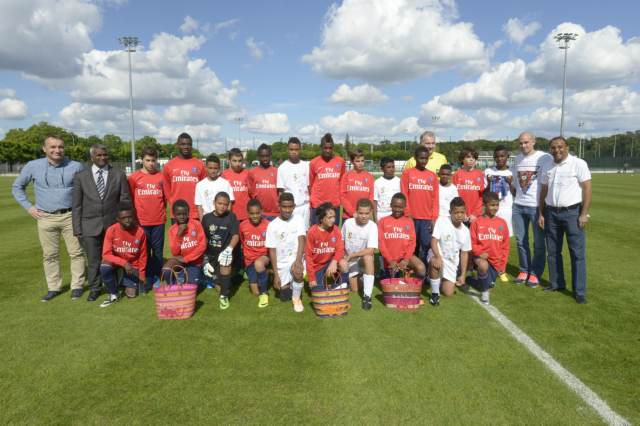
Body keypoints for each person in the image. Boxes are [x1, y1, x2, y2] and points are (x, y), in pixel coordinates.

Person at [11, 135, 85, 302]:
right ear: (44, 149)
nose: (57, 150)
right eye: (53, 147)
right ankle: (53, 287)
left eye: (60, 147)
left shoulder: (76, 166)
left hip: (70, 216)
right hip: (45, 217)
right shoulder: (33, 166)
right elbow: (17, 187)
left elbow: (87, 189)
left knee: (76, 253)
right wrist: (29, 207)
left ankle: (77, 286)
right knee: (50, 255)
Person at [72, 144, 131, 302]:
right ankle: (95, 288)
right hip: (89, 226)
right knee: (93, 260)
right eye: (98, 155)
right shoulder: (80, 176)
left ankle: (116, 285)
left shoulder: (118, 174)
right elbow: (77, 205)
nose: (102, 158)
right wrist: (77, 228)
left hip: (113, 225)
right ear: (92, 157)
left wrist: (125, 223)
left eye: (105, 155)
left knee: (117, 257)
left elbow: (125, 200)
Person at [538, 136, 592, 304]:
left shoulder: (578, 163)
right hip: (551, 213)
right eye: (553, 147)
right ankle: (556, 283)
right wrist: (541, 213)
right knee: (553, 252)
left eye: (560, 147)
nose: (557, 150)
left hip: (572, 213)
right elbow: (544, 191)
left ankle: (579, 291)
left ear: (567, 147)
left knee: (577, 253)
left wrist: (584, 213)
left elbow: (588, 188)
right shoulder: (547, 165)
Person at [511, 131, 552, 287]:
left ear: (534, 141)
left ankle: (535, 273)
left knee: (538, 243)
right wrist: (517, 198)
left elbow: (548, 181)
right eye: (521, 143)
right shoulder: (517, 158)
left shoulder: (544, 157)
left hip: (536, 207)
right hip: (519, 206)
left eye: (526, 142)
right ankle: (524, 270)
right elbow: (515, 182)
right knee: (521, 241)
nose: (523, 145)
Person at [128, 147, 168, 288]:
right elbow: (132, 198)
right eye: (148, 160)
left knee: (157, 251)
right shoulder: (134, 177)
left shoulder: (161, 177)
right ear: (142, 160)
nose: (151, 163)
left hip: (158, 221)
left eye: (153, 160)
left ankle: (156, 276)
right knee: (143, 250)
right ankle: (144, 276)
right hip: (141, 221)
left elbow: (165, 198)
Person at [99, 203, 147, 307]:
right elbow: (106, 254)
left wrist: (142, 274)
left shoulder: (140, 232)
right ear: (118, 218)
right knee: (105, 267)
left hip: (133, 264)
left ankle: (125, 282)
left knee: (131, 295)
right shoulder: (111, 230)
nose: (127, 220)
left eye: (130, 217)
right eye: (124, 218)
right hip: (117, 262)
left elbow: (143, 256)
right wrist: (124, 263)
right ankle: (113, 293)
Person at [266, 192, 306, 313]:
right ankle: (280, 278)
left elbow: (301, 239)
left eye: (290, 207)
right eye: (284, 206)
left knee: (298, 271)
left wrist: (298, 261)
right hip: (281, 263)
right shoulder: (272, 225)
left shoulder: (298, 219)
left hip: (295, 258)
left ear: (294, 206)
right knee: (284, 296)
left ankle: (297, 299)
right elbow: (272, 251)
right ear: (279, 206)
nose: (287, 210)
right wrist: (277, 274)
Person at [427, 197, 471, 306]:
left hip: (451, 262)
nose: (459, 215)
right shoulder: (442, 221)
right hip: (437, 254)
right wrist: (438, 257)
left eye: (462, 212)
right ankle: (435, 294)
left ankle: (436, 279)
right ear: (450, 212)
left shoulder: (466, 231)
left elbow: (464, 254)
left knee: (448, 293)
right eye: (456, 212)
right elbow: (433, 241)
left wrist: (463, 275)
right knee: (434, 262)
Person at [401, 145, 439, 267]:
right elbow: (404, 195)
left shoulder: (432, 176)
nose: (424, 161)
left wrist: (433, 218)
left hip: (427, 218)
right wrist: (408, 214)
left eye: (426, 158)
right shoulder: (407, 174)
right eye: (421, 158)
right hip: (411, 217)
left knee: (427, 246)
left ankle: (427, 272)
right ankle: (412, 270)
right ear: (415, 158)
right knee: (411, 246)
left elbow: (435, 198)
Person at [470, 192, 510, 305]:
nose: (495, 208)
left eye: (497, 205)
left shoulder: (502, 223)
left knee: (487, 283)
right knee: (483, 266)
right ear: (484, 205)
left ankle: (471, 279)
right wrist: (479, 252)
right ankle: (484, 294)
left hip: (496, 262)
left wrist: (503, 265)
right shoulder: (477, 222)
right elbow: (471, 243)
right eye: (492, 205)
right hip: (481, 258)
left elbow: (505, 246)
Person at [201, 191, 239, 310]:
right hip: (211, 254)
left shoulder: (231, 217)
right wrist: (204, 258)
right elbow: (203, 239)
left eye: (225, 204)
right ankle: (222, 283)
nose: (222, 206)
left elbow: (235, 236)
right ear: (214, 203)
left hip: (225, 253)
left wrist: (229, 249)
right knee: (219, 285)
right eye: (219, 203)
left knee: (225, 265)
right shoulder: (206, 218)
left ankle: (224, 297)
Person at [377, 193, 427, 279]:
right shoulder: (383, 221)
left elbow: (412, 243)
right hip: (390, 259)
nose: (397, 209)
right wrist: (390, 260)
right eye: (395, 206)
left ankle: (412, 281)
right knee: (393, 285)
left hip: (405, 258)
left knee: (421, 268)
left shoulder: (409, 222)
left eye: (400, 207)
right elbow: (381, 244)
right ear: (391, 205)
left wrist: (406, 259)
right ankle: (394, 273)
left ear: (404, 207)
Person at [342, 199, 378, 310]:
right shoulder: (348, 223)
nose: (364, 216)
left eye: (367, 213)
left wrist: (352, 255)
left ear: (371, 212)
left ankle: (367, 296)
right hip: (349, 261)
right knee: (355, 289)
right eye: (361, 213)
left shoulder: (372, 226)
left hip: (360, 259)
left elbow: (371, 250)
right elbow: (341, 241)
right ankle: (363, 278)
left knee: (368, 257)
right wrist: (342, 257)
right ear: (356, 212)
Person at [162, 133, 207, 221]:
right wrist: (173, 203)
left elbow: (204, 187)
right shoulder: (169, 165)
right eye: (183, 144)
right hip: (177, 213)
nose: (186, 147)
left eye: (189, 144)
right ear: (177, 145)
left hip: (195, 212)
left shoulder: (200, 165)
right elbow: (167, 189)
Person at [305, 203, 349, 291]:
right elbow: (308, 257)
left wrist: (334, 261)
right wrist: (311, 278)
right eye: (329, 217)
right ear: (321, 219)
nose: (333, 220)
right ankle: (328, 286)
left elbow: (340, 249)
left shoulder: (336, 229)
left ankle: (342, 286)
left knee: (343, 263)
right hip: (317, 266)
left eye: (334, 217)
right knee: (317, 291)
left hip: (331, 263)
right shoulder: (312, 232)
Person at [162, 200, 206, 287]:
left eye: (184, 214)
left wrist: (187, 259)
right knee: (166, 271)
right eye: (179, 214)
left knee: (190, 286)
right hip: (180, 260)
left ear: (188, 213)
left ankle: (197, 276)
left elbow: (202, 245)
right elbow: (175, 252)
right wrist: (179, 235)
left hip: (195, 261)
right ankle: (174, 286)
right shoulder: (172, 230)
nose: (182, 216)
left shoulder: (196, 224)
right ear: (174, 215)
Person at [239, 199, 270, 308]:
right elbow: (243, 241)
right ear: (247, 213)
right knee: (255, 292)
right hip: (249, 260)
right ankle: (265, 275)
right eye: (252, 213)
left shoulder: (268, 225)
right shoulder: (242, 226)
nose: (255, 216)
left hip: (263, 256)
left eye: (257, 213)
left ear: (261, 211)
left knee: (259, 264)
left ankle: (264, 293)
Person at [308, 133, 346, 224]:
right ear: (321, 147)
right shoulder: (314, 163)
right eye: (325, 148)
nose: (328, 150)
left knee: (332, 234)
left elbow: (342, 181)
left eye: (330, 148)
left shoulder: (340, 162)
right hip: (318, 204)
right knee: (316, 233)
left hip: (334, 204)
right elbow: (311, 183)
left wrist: (339, 199)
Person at [277, 137, 310, 228]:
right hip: (289, 208)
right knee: (290, 234)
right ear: (288, 150)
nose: (294, 152)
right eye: (291, 149)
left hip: (304, 206)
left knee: (304, 233)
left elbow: (309, 187)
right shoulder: (282, 168)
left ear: (300, 150)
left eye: (296, 149)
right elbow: (280, 191)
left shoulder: (306, 166)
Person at [484, 145, 513, 236]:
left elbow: (516, 193)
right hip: (491, 209)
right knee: (490, 235)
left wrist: (510, 183)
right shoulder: (488, 171)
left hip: (506, 209)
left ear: (507, 156)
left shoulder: (512, 172)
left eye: (502, 156)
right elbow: (484, 193)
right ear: (494, 157)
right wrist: (489, 183)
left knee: (504, 236)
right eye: (497, 156)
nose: (499, 159)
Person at [194, 154, 234, 220]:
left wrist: (226, 219)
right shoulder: (200, 185)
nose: (213, 171)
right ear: (206, 168)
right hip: (207, 219)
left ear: (219, 168)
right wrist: (202, 222)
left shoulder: (225, 183)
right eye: (210, 168)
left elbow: (229, 203)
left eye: (215, 168)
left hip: (222, 219)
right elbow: (199, 206)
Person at [452, 146, 484, 223]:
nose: (471, 159)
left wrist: (475, 214)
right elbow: (453, 195)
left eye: (473, 157)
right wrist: (461, 213)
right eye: (468, 157)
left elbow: (482, 197)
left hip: (475, 216)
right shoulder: (457, 174)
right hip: (459, 214)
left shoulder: (480, 174)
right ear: (462, 159)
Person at [248, 144, 279, 220]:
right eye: (262, 156)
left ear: (270, 156)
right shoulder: (252, 172)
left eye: (267, 156)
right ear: (258, 156)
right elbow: (250, 193)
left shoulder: (277, 171)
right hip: (259, 213)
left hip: (275, 213)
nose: (265, 158)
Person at [340, 149, 374, 219]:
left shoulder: (369, 177)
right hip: (348, 216)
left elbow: (371, 197)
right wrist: (352, 212)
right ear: (352, 161)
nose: (360, 163)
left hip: (364, 216)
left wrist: (367, 212)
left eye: (362, 161)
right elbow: (342, 196)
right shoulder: (346, 176)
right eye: (357, 161)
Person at [221, 148, 250, 223]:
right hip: (230, 215)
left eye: (240, 161)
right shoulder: (224, 175)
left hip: (246, 215)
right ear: (229, 160)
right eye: (234, 161)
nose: (237, 164)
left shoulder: (248, 173)